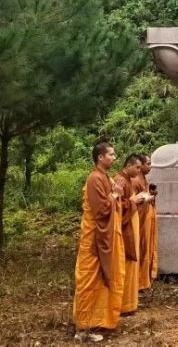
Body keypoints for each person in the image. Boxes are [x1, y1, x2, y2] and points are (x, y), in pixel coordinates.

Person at [72, 141, 126, 342]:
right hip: (94, 239)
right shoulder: (94, 178)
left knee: (100, 283)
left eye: (114, 154)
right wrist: (114, 195)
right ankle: (82, 329)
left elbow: (112, 204)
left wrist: (116, 195)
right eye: (111, 154)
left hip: (104, 236)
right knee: (88, 282)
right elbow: (101, 210)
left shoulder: (105, 177)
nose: (114, 157)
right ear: (100, 157)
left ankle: (96, 323)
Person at [114, 155, 149, 315]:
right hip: (126, 226)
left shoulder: (128, 180)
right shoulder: (119, 180)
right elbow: (116, 206)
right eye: (136, 167)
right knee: (127, 263)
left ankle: (130, 303)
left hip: (132, 224)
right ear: (128, 165)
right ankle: (123, 305)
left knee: (132, 263)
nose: (139, 170)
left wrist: (137, 200)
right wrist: (133, 200)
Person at [136, 154, 158, 291]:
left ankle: (144, 279)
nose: (151, 167)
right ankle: (139, 281)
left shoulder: (143, 179)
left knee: (146, 247)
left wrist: (150, 194)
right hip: (140, 219)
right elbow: (135, 201)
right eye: (148, 164)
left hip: (147, 217)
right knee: (141, 248)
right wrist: (147, 198)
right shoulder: (135, 180)